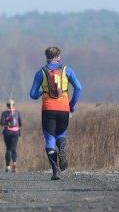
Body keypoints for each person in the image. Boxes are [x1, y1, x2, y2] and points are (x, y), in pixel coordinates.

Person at [30, 46, 82, 180]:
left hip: (48, 109)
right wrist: (71, 105)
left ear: (46, 57)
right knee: (61, 135)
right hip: (64, 109)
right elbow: (79, 88)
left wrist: (41, 92)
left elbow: (32, 94)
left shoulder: (40, 72)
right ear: (58, 57)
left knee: (49, 141)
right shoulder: (67, 70)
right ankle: (62, 149)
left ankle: (56, 170)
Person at [0, 99, 22, 173]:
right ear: (14, 105)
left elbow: (2, 123)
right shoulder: (17, 113)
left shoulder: (4, 113)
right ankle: (14, 163)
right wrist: (19, 132)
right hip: (16, 133)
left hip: (7, 132)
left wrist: (7, 123)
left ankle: (7, 166)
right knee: (14, 149)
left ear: (7, 105)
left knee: (8, 149)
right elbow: (20, 123)